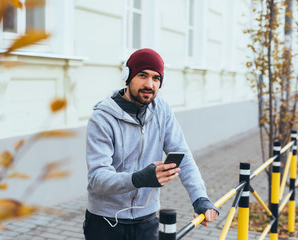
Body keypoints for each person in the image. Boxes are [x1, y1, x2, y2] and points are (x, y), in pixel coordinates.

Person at [84, 48, 218, 240]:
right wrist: (138, 178)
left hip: (147, 220)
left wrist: (200, 198)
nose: (149, 84)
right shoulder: (102, 119)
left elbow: (183, 156)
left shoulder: (162, 110)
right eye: (142, 75)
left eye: (156, 78)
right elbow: (97, 178)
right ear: (127, 76)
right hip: (106, 222)